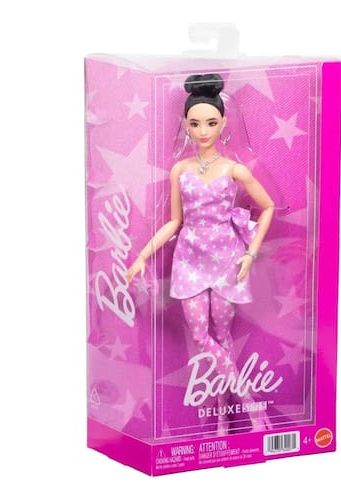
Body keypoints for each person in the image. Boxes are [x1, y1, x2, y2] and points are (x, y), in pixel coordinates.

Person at [126, 73, 275, 434]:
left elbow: (268, 206)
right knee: (201, 336)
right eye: (195, 124)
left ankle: (223, 419)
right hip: (190, 261)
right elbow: (174, 222)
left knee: (222, 339)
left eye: (210, 122)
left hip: (226, 261)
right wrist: (142, 255)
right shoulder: (180, 170)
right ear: (186, 126)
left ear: (223, 123)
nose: (203, 130)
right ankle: (250, 403)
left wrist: (250, 254)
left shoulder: (234, 169)